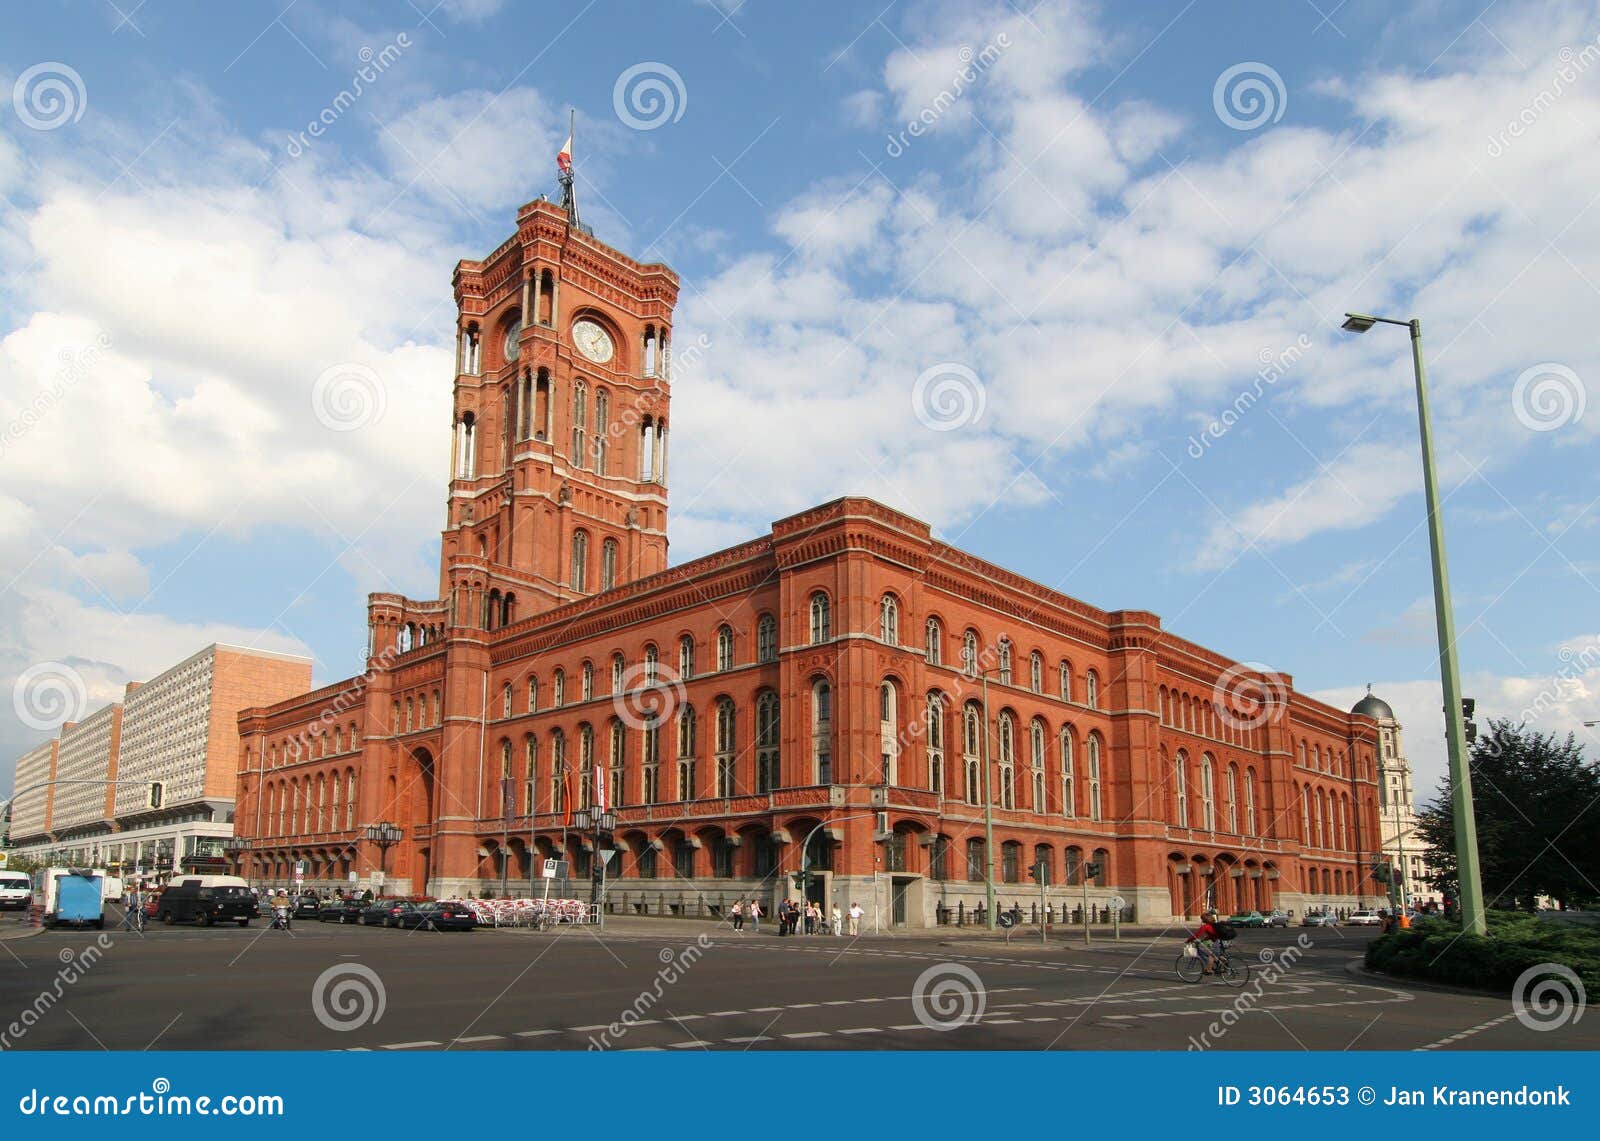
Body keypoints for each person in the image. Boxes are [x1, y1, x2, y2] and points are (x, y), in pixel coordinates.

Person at [1185, 910, 1223, 974]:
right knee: (1215, 954)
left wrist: (1188, 940)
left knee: (1212, 955)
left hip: (1216, 942)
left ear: (1204, 920)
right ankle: (1223, 962)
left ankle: (1209, 970)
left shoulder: (1205, 926)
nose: (1201, 920)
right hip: (1219, 940)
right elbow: (1212, 934)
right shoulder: (1213, 924)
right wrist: (1204, 939)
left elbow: (1197, 935)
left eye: (1202, 919)